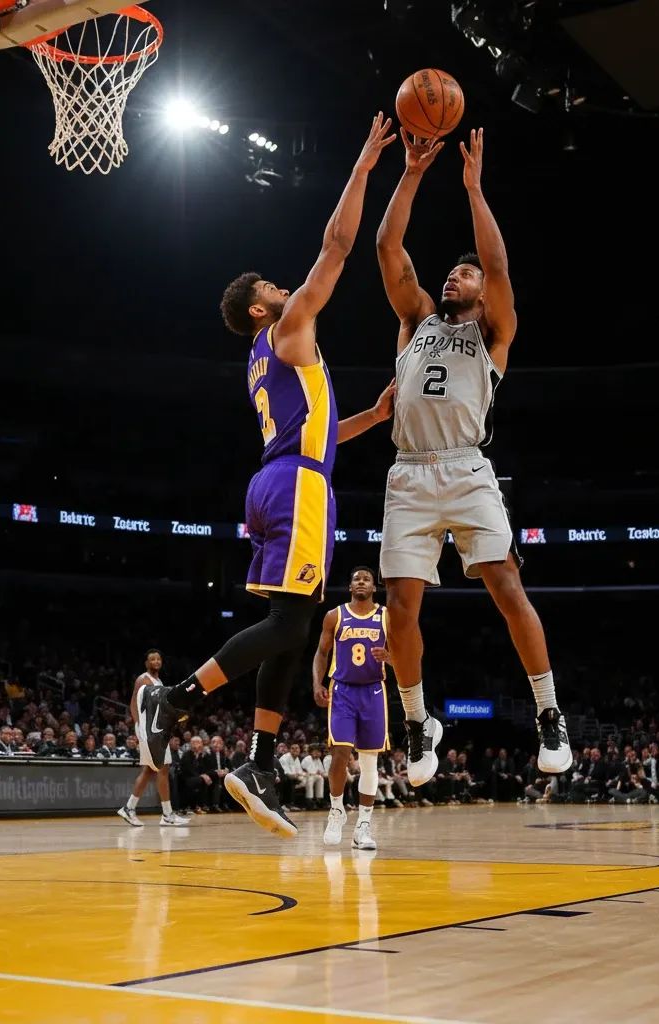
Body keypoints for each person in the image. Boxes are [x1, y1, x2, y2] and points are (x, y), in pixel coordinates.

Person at [140, 115, 397, 839]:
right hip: (297, 486)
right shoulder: (287, 329)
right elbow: (338, 246)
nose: (289, 287)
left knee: (295, 625)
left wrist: (371, 419)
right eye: (275, 286)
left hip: (287, 476)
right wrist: (362, 167)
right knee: (292, 621)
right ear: (261, 308)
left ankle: (258, 760)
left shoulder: (265, 355)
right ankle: (180, 698)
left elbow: (312, 434)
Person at [374, 126, 571, 788]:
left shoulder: (493, 332)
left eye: (467, 273)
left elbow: (499, 267)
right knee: (399, 608)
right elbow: (386, 246)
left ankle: (549, 712)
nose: (457, 275)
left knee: (506, 585)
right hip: (408, 471)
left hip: (466, 467)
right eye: (454, 271)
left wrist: (473, 187)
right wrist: (409, 173)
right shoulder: (416, 320)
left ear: (483, 295)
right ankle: (415, 722)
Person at [313, 566, 390, 851]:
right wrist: (317, 683)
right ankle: (336, 810)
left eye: (366, 579)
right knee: (340, 754)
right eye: (356, 578)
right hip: (342, 690)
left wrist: (390, 657)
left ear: (374, 587)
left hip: (373, 692)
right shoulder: (335, 615)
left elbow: (407, 655)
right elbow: (321, 652)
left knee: (370, 762)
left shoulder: (386, 616)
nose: (360, 581)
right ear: (350, 587)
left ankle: (363, 827)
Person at [118, 650, 189, 827]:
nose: (156, 661)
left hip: (155, 730)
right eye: (152, 659)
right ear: (146, 663)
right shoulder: (143, 679)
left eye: (158, 659)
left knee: (151, 770)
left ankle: (131, 808)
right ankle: (166, 814)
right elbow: (133, 703)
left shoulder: (158, 681)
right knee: (162, 768)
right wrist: (138, 727)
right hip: (148, 730)